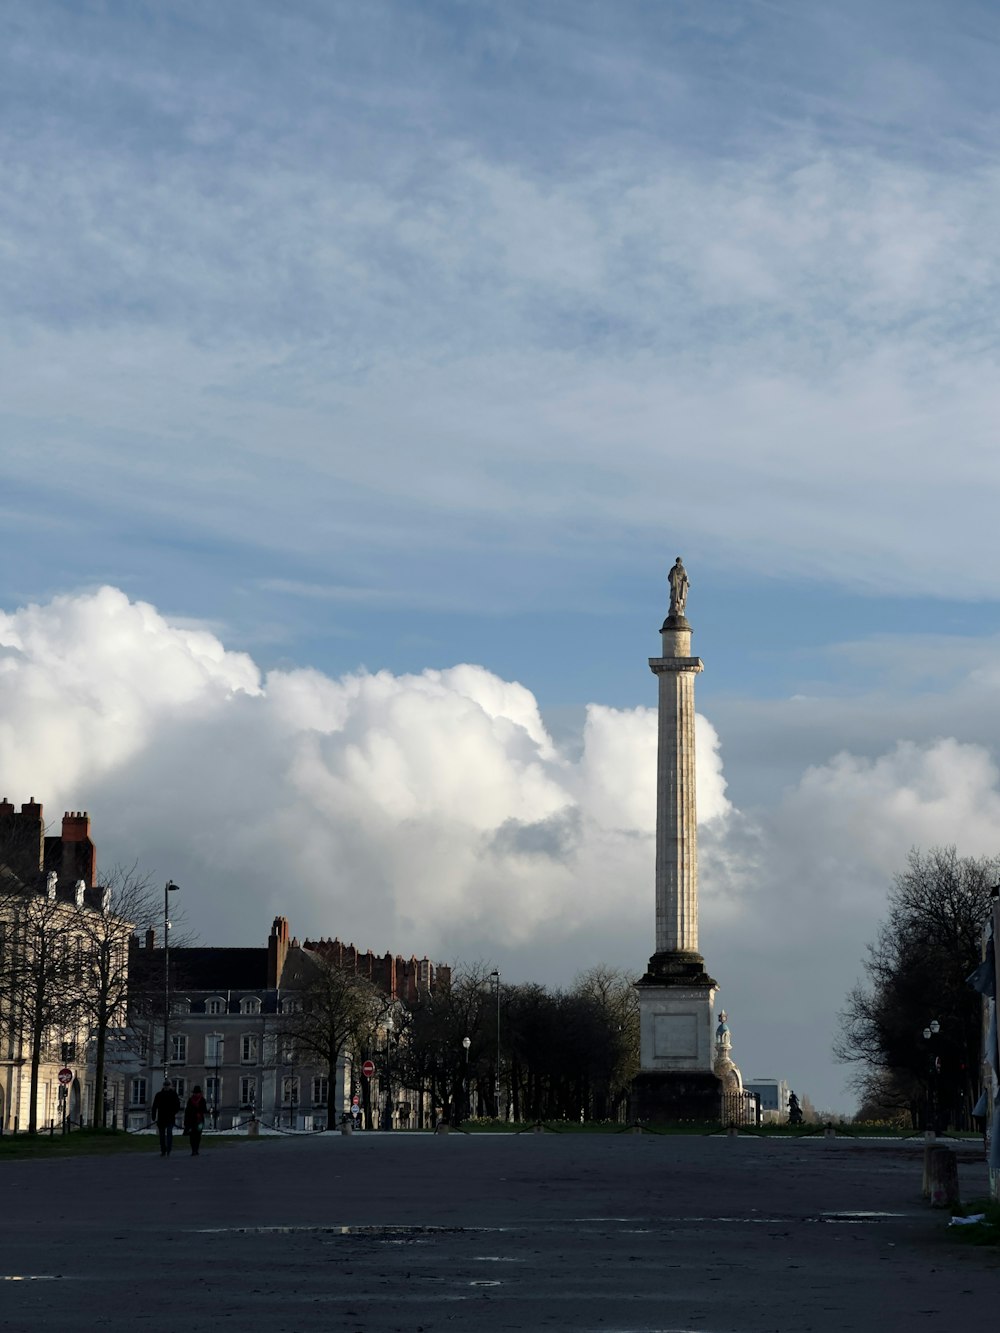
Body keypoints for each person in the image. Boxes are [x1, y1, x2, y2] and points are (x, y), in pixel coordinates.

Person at [151, 1079, 181, 1156]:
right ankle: (163, 1150)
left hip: (169, 1117)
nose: (166, 1086)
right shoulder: (159, 1095)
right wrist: (153, 1116)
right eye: (166, 1085)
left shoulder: (173, 1094)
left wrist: (173, 1112)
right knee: (162, 1135)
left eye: (167, 1085)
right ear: (164, 1086)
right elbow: (154, 1106)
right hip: (162, 1117)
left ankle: (168, 1149)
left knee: (168, 1133)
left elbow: (177, 1106)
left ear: (170, 1086)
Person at [184, 1085, 209, 1156]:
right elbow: (187, 1111)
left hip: (199, 1120)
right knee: (192, 1136)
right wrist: (186, 1121)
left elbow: (204, 1109)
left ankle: (196, 1149)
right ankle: (193, 1150)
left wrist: (199, 1112)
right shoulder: (190, 1100)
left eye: (197, 1093)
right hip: (192, 1120)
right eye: (195, 1093)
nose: (196, 1094)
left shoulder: (202, 1100)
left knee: (198, 1135)